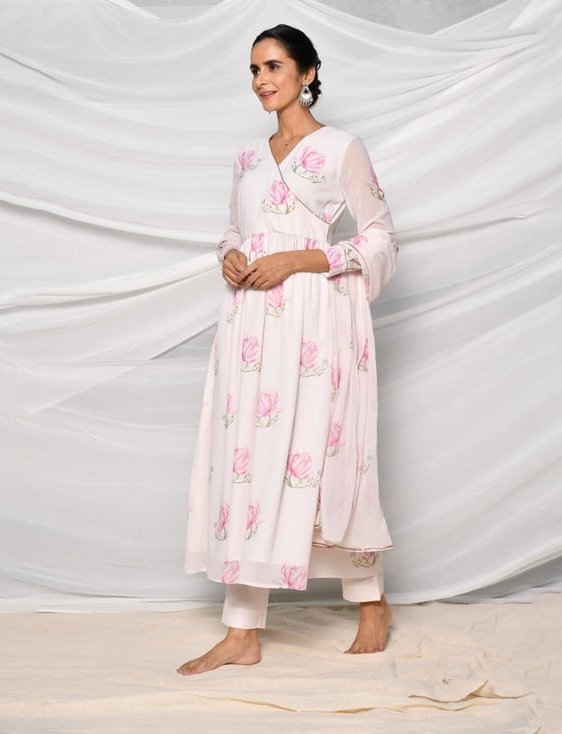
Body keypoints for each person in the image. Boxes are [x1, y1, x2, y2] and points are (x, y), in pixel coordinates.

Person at [177, 24, 399, 676]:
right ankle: (241, 632)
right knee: (248, 457)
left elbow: (382, 237)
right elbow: (233, 230)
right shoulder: (248, 158)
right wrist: (230, 256)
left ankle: (371, 601)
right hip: (250, 323)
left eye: (273, 66)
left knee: (322, 454)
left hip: (313, 322)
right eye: (254, 70)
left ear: (307, 73)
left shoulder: (340, 149)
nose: (261, 81)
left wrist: (301, 259)